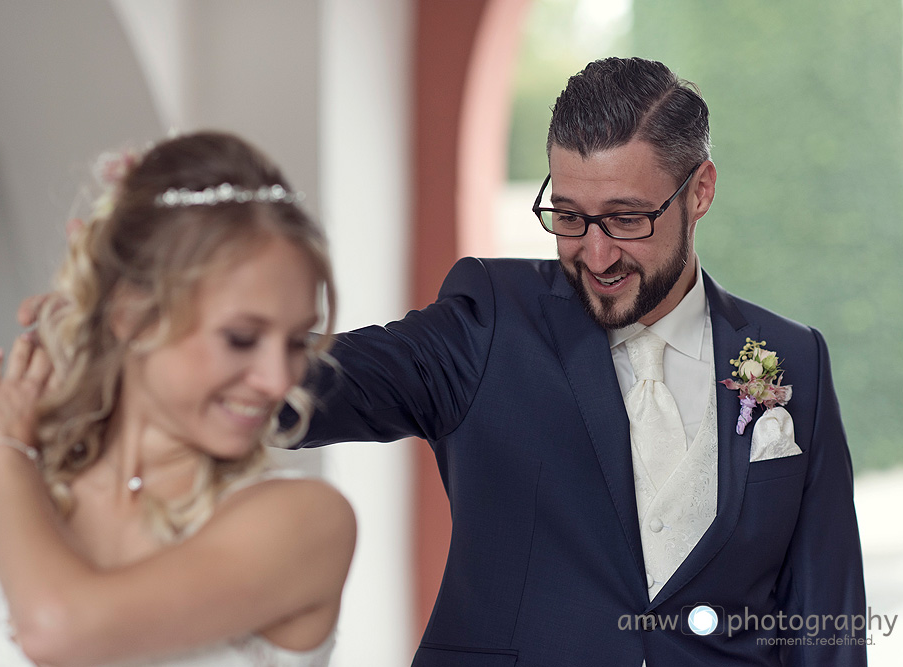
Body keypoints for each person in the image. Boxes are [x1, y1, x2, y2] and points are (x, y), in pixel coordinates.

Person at [300, 58, 866, 665]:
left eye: (627, 218)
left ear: (700, 191)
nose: (596, 255)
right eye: (569, 217)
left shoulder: (793, 358)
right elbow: (319, 387)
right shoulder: (488, 323)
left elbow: (824, 618)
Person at [0, 131, 356, 666]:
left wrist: (7, 448)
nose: (278, 379)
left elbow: (57, 629)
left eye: (295, 343)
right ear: (129, 313)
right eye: (241, 338)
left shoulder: (304, 522)